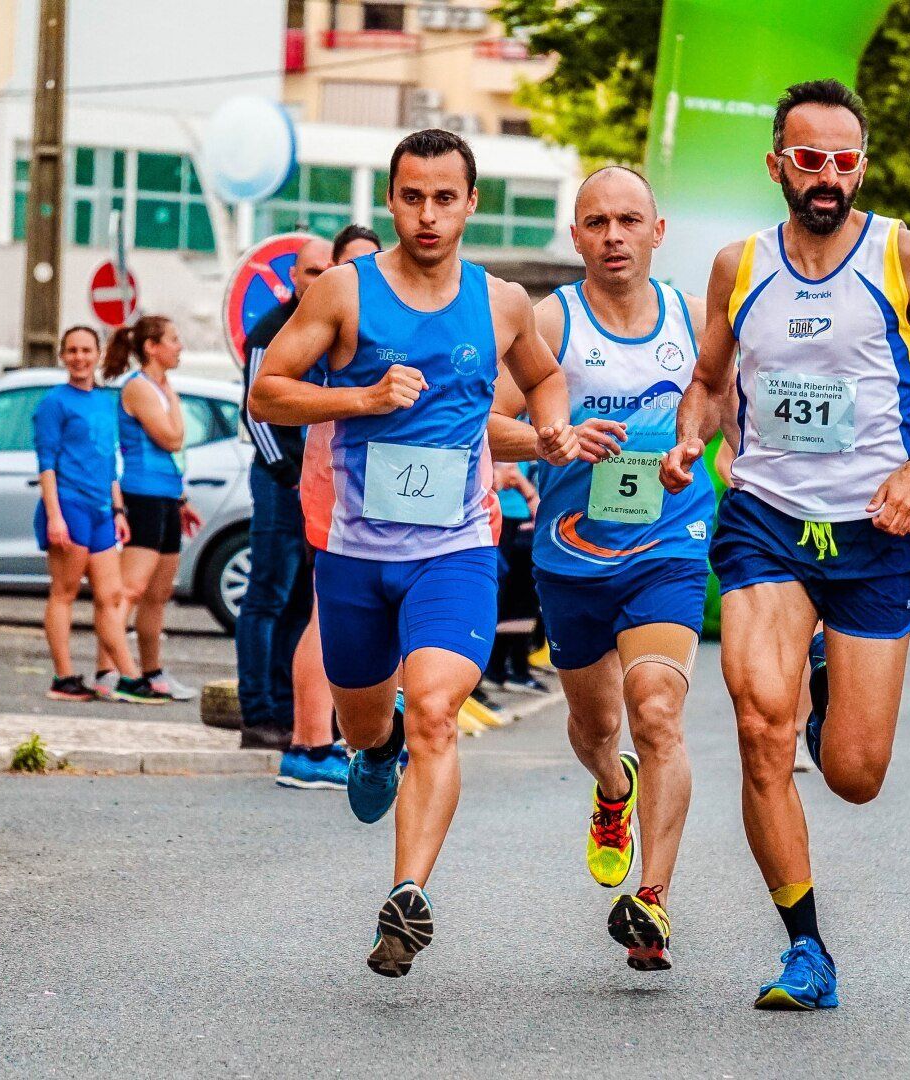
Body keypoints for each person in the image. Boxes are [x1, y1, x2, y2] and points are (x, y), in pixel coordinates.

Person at [661, 79, 910, 1010]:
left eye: (843, 162)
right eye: (807, 159)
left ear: (862, 169)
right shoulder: (740, 266)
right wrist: (693, 435)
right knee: (755, 727)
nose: (826, 177)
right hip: (766, 516)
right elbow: (709, 379)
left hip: (877, 528)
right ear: (777, 164)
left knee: (853, 772)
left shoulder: (903, 255)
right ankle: (805, 948)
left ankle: (824, 689)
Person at [250, 128, 578, 979]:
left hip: (457, 550)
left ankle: (407, 895)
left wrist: (548, 424)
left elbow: (544, 376)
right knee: (371, 721)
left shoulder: (501, 302)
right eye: (411, 196)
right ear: (391, 201)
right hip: (355, 555)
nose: (427, 214)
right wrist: (359, 395)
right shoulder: (342, 292)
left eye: (444, 197)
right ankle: (375, 748)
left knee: (435, 708)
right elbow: (267, 391)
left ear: (471, 203)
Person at [487, 164, 714, 973]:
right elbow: (488, 423)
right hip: (573, 555)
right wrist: (553, 440)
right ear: (576, 236)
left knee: (657, 713)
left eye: (628, 220)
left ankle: (651, 900)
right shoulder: (550, 320)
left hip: (670, 542)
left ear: (657, 232)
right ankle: (611, 791)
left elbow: (715, 396)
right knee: (596, 730)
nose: (613, 235)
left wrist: (693, 441)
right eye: (595, 222)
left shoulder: (691, 315)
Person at [237, 232, 341, 780]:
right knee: (266, 597)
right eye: (310, 273)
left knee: (302, 602)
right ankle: (258, 712)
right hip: (281, 482)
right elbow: (258, 412)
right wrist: (292, 478)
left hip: (315, 483)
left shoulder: (326, 329)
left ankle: (288, 705)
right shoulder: (272, 331)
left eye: (328, 272)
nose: (319, 281)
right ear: (292, 278)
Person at [33, 326, 161, 704]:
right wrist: (55, 517)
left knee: (111, 596)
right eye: (71, 350)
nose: (79, 357)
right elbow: (46, 465)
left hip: (102, 512)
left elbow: (108, 463)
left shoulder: (106, 401)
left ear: (98, 353)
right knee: (65, 593)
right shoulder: (54, 402)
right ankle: (64, 677)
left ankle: (129, 677)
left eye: (86, 350)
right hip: (68, 508)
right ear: (62, 355)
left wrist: (119, 510)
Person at [95, 316, 202, 704]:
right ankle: (110, 671)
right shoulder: (140, 387)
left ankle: (152, 671)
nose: (180, 346)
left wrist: (182, 500)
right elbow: (172, 438)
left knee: (158, 594)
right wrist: (172, 401)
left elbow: (174, 452)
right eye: (173, 340)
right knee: (130, 589)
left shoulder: (160, 387)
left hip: (166, 496)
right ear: (151, 347)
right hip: (141, 495)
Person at [482, 461, 545, 693]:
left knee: (522, 600)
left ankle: (515, 667)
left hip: (520, 515)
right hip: (509, 516)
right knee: (512, 599)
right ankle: (498, 669)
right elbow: (508, 469)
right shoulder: (512, 425)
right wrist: (530, 496)